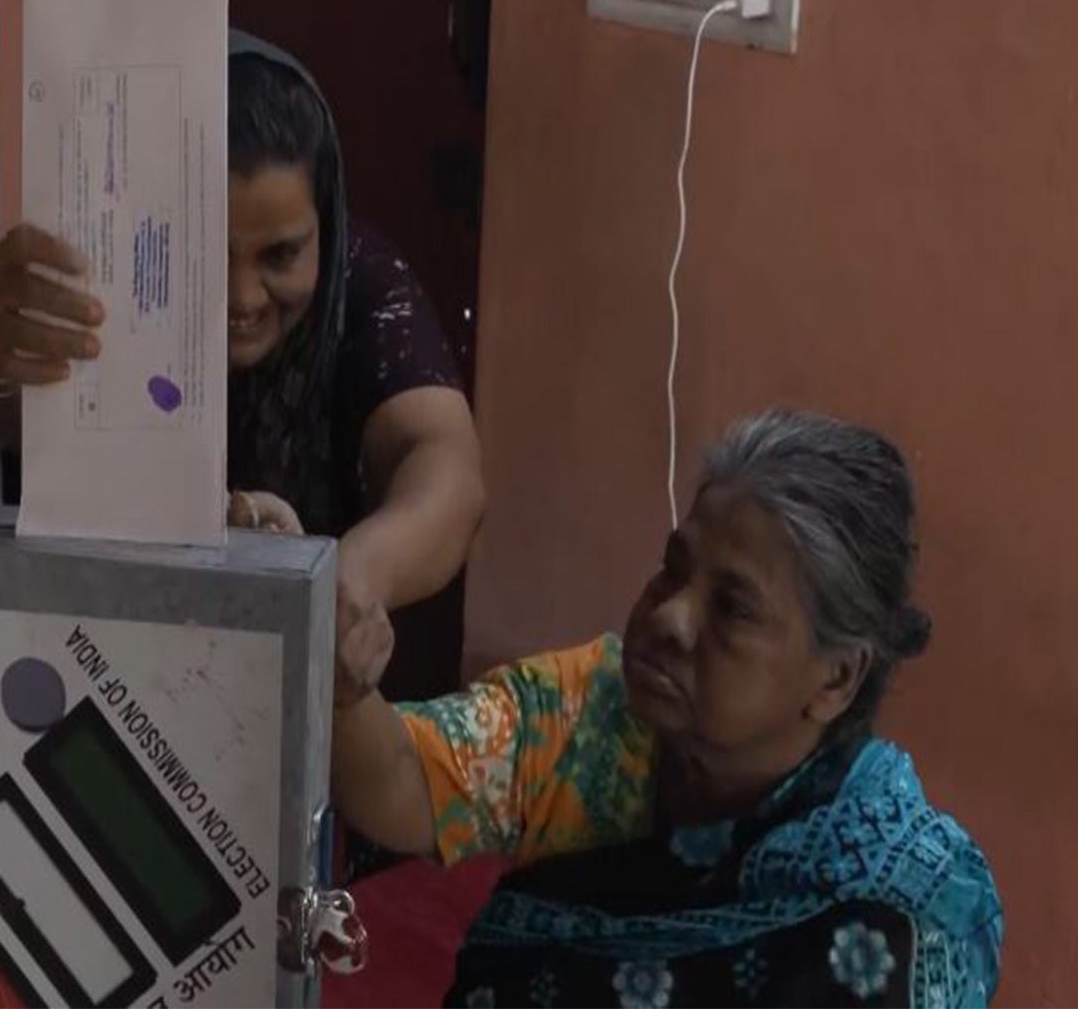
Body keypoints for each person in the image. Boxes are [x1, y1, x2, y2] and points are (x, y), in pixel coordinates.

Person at [331, 410, 1003, 1008]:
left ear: (836, 679)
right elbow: (399, 781)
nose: (672, 617)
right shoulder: (593, 717)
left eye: (733, 608)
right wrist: (335, 655)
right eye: (673, 568)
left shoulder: (905, 906)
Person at [0, 31, 485, 701]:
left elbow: (449, 470)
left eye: (280, 255)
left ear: (327, 224)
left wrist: (347, 576)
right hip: (93, 677)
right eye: (204, 251)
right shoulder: (98, 276)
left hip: (285, 700)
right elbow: (6, 410)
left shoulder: (363, 286)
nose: (240, 299)